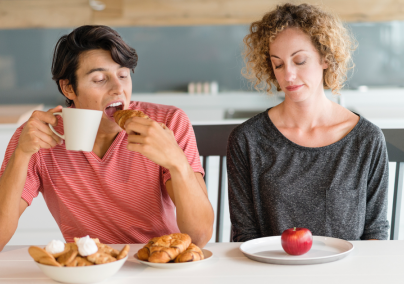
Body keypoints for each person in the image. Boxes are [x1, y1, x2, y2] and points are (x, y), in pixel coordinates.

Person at [0, 25, 214, 251]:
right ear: (68, 88)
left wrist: (176, 161)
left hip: (157, 263)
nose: (118, 88)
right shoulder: (39, 135)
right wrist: (22, 154)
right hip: (88, 268)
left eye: (123, 75)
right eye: (100, 79)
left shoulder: (167, 123)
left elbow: (198, 237)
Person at [227, 3, 389, 242]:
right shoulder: (247, 139)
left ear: (325, 58)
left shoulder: (367, 139)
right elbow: (245, 236)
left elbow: (375, 234)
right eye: (278, 64)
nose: (288, 75)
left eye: (300, 60)